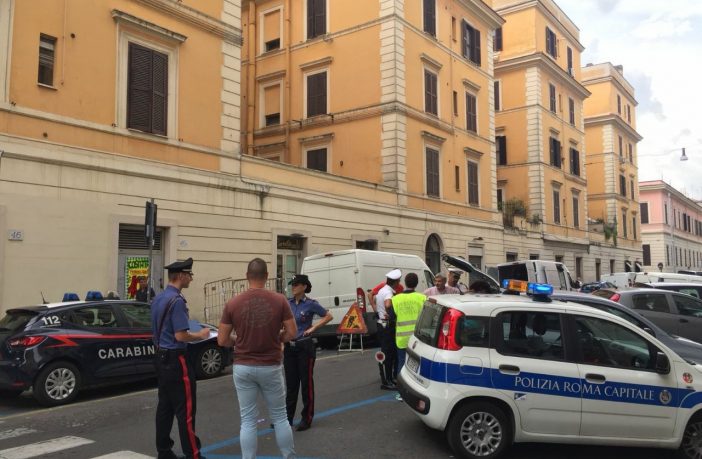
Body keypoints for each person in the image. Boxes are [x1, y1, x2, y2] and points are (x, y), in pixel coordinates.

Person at [217, 258, 297, 459]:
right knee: (280, 417)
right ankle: (289, 456)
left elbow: (222, 339)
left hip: (243, 366)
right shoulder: (279, 300)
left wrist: (238, 340)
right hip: (271, 364)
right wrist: (278, 337)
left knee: (248, 420)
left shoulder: (233, 303)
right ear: (267, 276)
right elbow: (292, 332)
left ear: (246, 277)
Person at [151, 257, 209, 459]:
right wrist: (200, 335)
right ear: (182, 276)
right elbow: (181, 335)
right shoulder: (177, 301)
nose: (191, 279)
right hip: (177, 359)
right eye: (190, 275)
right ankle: (193, 453)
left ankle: (164, 451)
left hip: (161, 357)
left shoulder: (158, 298)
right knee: (186, 410)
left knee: (165, 407)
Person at [284, 274, 333, 431]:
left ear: (304, 287)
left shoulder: (311, 304)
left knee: (306, 384)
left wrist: (313, 328)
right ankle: (287, 419)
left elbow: (328, 315)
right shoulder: (288, 304)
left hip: (305, 347)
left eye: (297, 284)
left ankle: (307, 418)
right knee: (291, 385)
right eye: (292, 284)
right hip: (290, 348)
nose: (293, 287)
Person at [389, 273, 426, 377]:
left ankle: (401, 389)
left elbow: (391, 317)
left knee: (401, 363)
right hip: (418, 339)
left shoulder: (396, 299)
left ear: (404, 283)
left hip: (401, 339)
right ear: (417, 283)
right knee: (418, 363)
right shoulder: (422, 298)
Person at [373, 269, 401, 390]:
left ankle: (389, 378)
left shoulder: (382, 290)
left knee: (388, 352)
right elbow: (388, 304)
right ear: (396, 282)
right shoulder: (388, 292)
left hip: (381, 324)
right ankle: (387, 381)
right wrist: (391, 314)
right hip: (387, 326)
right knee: (389, 353)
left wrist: (379, 311)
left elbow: (374, 299)